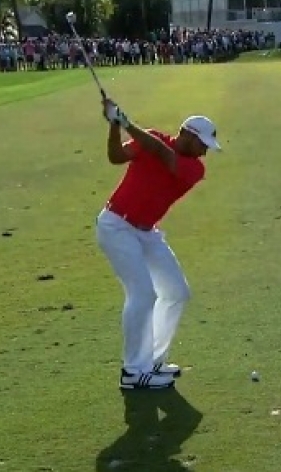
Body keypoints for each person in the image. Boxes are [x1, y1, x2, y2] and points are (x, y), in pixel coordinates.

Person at [96, 97, 221, 390]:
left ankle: (151, 361)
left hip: (147, 232)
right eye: (202, 143)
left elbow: (162, 154)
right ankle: (132, 371)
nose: (204, 151)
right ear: (187, 135)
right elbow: (115, 156)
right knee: (142, 295)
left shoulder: (194, 169)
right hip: (116, 226)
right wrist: (115, 126)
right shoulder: (150, 138)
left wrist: (126, 122)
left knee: (177, 292)